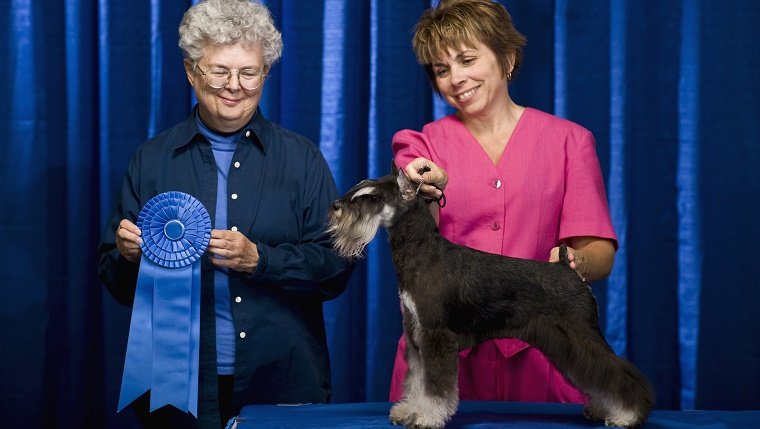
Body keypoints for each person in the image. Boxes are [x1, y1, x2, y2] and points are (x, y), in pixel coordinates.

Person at [96, 1, 352, 428]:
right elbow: (115, 282)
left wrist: (261, 260)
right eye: (219, 70)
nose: (234, 86)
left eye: (248, 72)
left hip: (283, 385)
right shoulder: (152, 159)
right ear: (191, 70)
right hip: (178, 392)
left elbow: (337, 267)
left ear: (265, 74)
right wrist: (129, 256)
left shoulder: (303, 158)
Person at [389, 0, 618, 404]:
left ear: (507, 58)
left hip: (544, 361)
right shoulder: (421, 143)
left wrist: (576, 260)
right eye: (442, 70)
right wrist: (423, 183)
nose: (456, 78)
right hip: (445, 358)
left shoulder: (570, 142)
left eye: (467, 59)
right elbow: (412, 195)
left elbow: (599, 252)